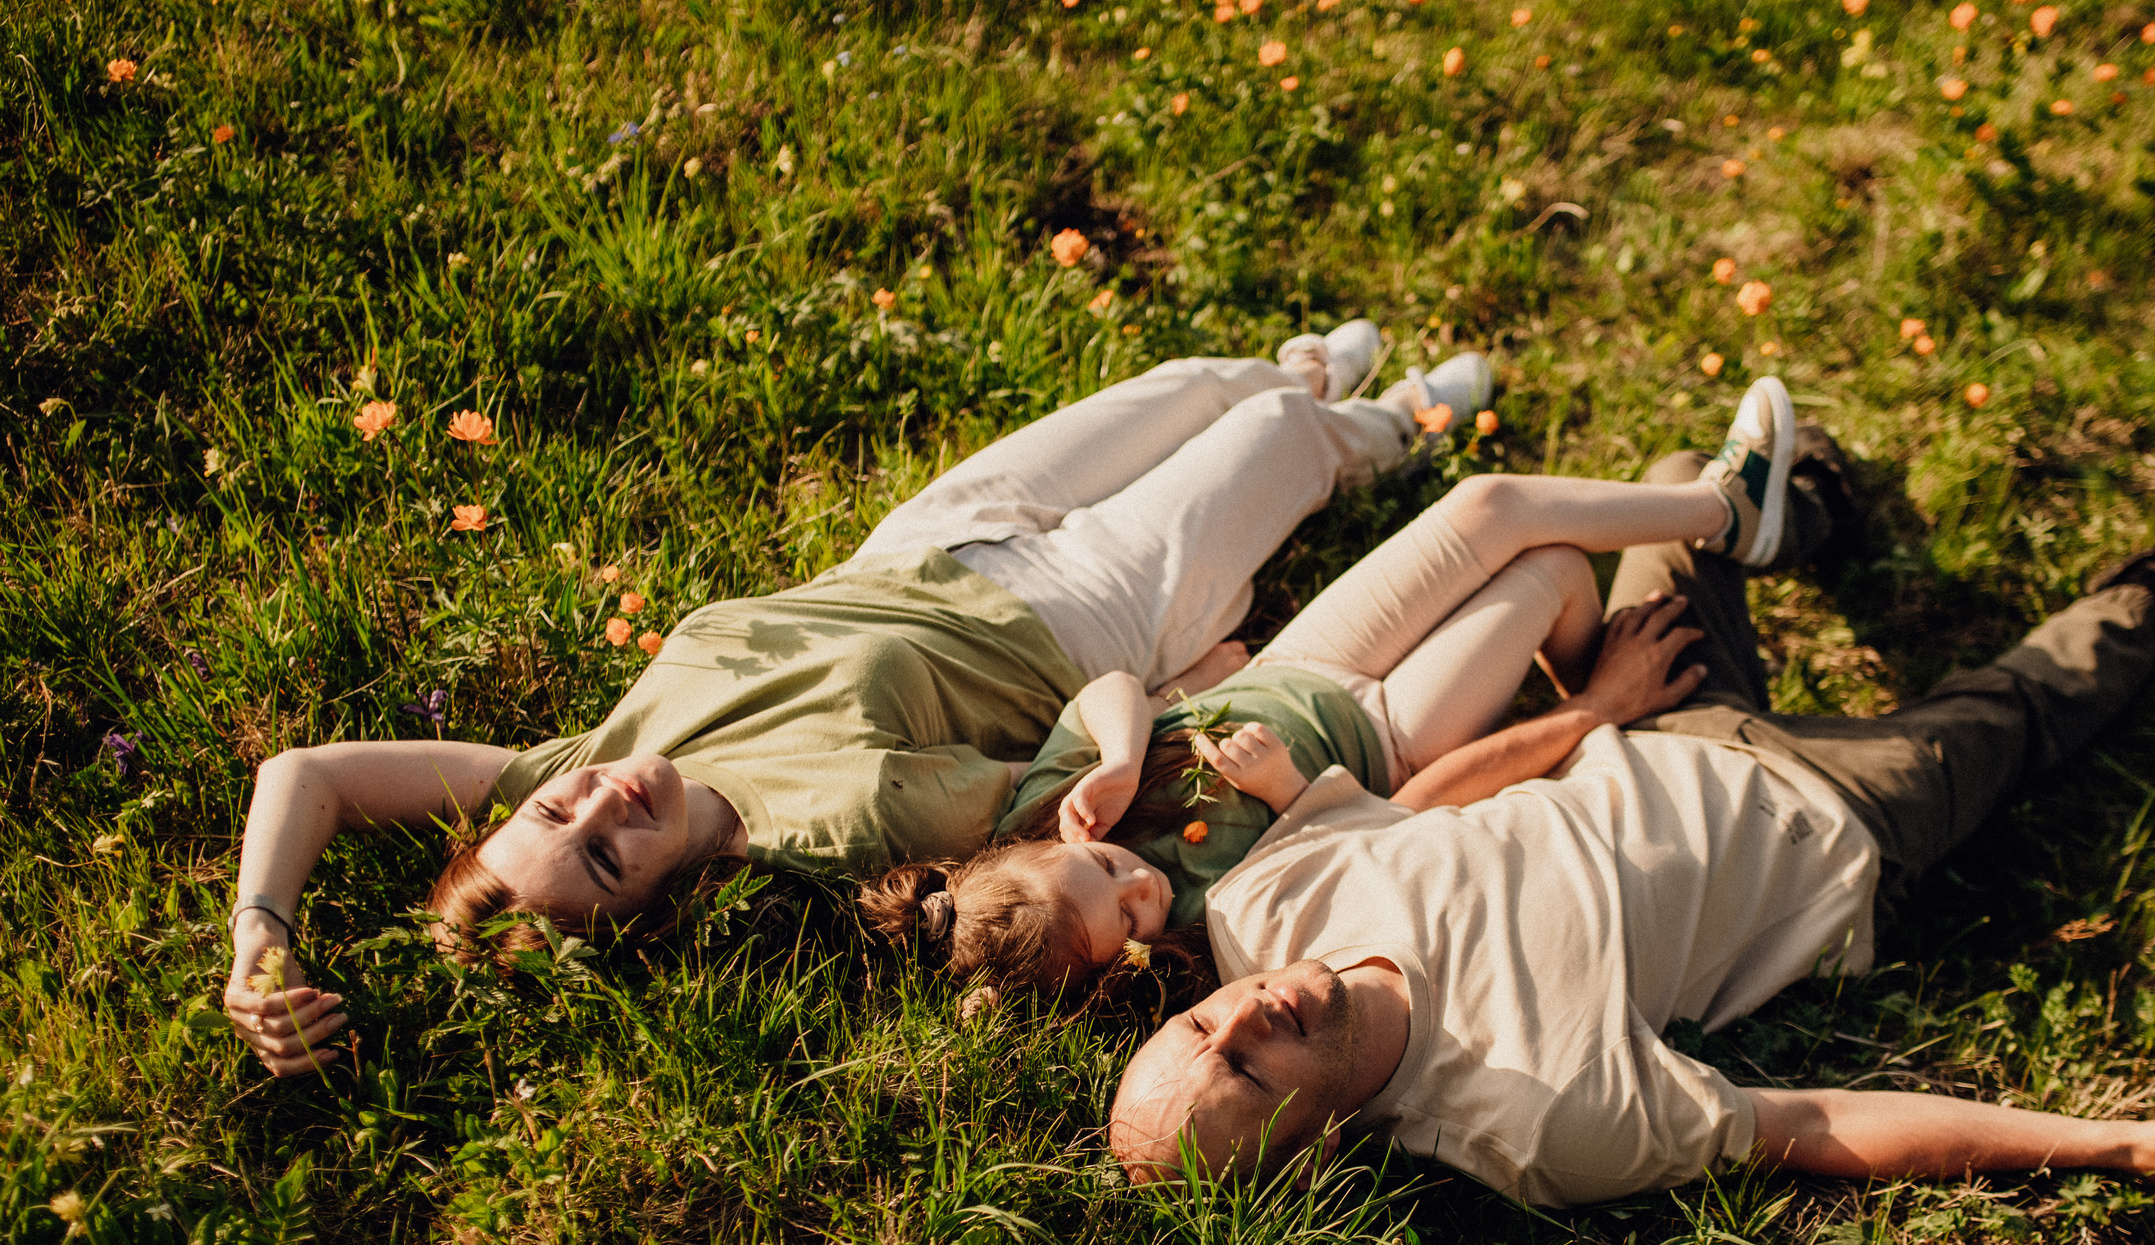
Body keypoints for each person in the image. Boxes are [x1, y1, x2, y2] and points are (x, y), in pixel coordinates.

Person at [222, 326, 1495, 1075]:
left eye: (562, 803)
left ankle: (1305, 373)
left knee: (1188, 386)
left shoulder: (587, 756)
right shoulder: (841, 827)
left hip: (930, 539)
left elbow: (312, 776)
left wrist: (260, 934)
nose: (607, 797)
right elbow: (1069, 798)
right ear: (654, 904)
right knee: (1273, 446)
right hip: (1083, 614)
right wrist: (1176, 697)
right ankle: (1389, 423)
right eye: (610, 855)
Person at [1107, 417, 2155, 1207]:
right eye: (1251, 1069)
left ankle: (1819, 503)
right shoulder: (1532, 1120)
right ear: (1311, 1148)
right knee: (2027, 706)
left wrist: (1595, 710)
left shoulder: (1259, 908)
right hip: (1827, 827)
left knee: (1680, 487)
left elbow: (1407, 809)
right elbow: (1813, 1122)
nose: (1245, 1017)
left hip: (1657, 716)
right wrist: (2119, 1142)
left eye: (1199, 1029)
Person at [858, 379, 1847, 1011]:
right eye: (1127, 917)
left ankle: (1724, 510)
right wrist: (1289, 792)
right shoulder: (1204, 939)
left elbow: (1108, 691)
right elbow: (1372, 843)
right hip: (1385, 740)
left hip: (1299, 664)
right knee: (1551, 573)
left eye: (1106, 865)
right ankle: (1615, 700)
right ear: (1111, 968)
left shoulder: (1059, 811)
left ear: (1043, 843)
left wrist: (1121, 753)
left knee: (1487, 505)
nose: (1138, 884)